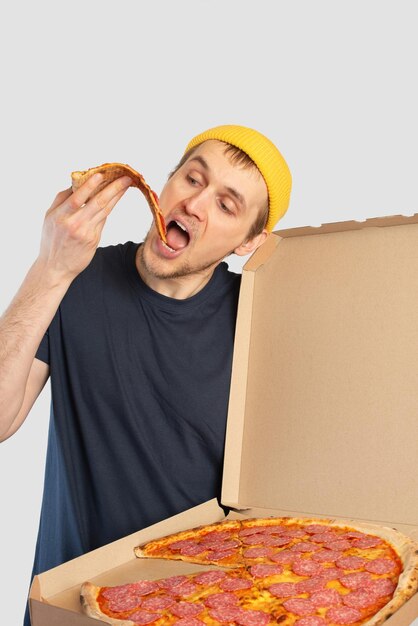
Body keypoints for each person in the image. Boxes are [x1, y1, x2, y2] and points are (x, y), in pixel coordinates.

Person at [0, 124, 292, 625]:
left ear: (250, 242)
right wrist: (50, 268)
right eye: (193, 178)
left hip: (198, 610)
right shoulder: (75, 280)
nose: (195, 205)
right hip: (67, 610)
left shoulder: (261, 324)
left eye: (227, 205)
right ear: (166, 183)